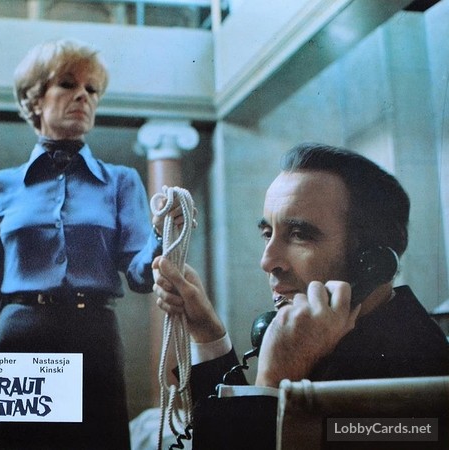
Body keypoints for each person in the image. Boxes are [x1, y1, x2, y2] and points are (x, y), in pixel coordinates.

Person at [0, 39, 178, 450]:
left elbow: (141, 275)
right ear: (35, 99)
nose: (83, 96)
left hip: (94, 341)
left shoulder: (121, 181)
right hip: (18, 340)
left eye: (92, 89)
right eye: (68, 84)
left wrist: (164, 234)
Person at [152, 143, 449, 447]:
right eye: (268, 233)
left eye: (299, 235)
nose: (267, 261)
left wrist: (272, 381)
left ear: (370, 262)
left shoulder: (411, 371)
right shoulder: (335, 332)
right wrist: (207, 333)